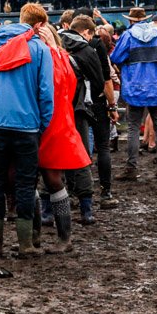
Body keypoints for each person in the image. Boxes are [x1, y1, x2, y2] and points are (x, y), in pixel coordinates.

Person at [0, 3, 54, 258]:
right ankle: (25, 244)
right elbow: (45, 92)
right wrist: (43, 123)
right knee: (24, 183)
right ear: (37, 25)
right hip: (27, 125)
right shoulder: (40, 50)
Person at [34, 22, 92, 253]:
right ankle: (57, 238)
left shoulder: (55, 58)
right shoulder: (63, 57)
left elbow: (56, 86)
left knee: (47, 181)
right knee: (51, 182)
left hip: (49, 125)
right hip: (58, 123)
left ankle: (49, 238)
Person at [60, 15, 111, 222]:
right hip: (80, 107)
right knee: (81, 153)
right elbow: (99, 82)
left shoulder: (55, 45)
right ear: (87, 32)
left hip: (57, 108)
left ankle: (60, 199)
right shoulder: (88, 50)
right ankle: (86, 207)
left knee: (57, 153)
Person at [111, 8, 157, 181]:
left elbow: (116, 57)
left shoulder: (128, 36)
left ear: (130, 20)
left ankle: (131, 168)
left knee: (133, 127)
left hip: (135, 85)